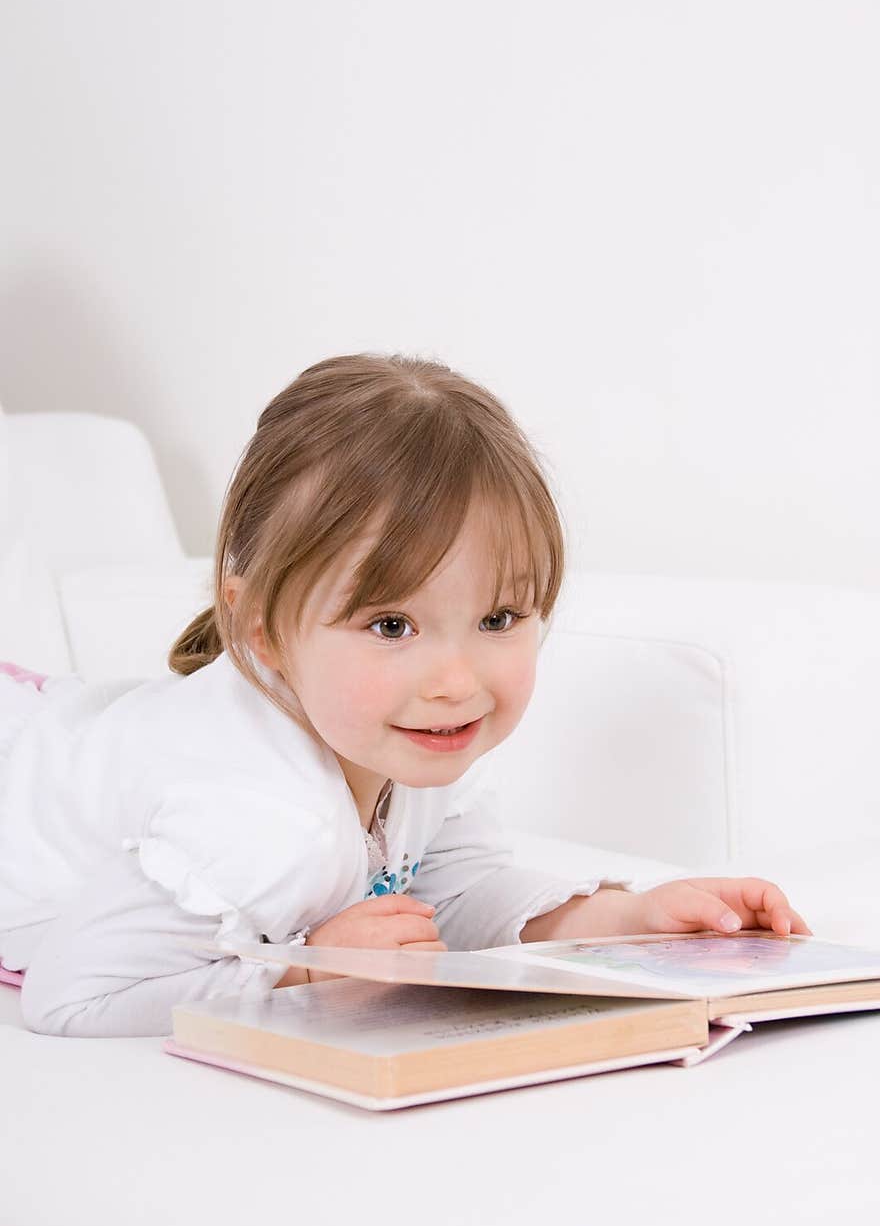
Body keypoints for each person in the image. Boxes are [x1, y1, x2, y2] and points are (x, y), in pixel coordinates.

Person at [0, 353, 809, 1036]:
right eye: (391, 626)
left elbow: (446, 891)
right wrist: (301, 981)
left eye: (499, 616)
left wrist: (629, 923)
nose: (456, 682)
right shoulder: (258, 819)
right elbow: (73, 997)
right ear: (260, 625)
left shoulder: (400, 743)